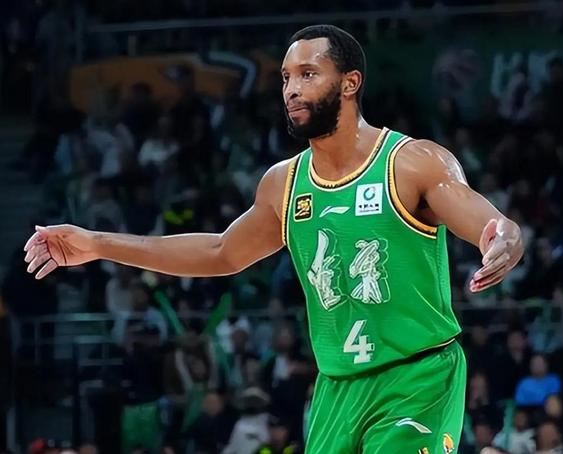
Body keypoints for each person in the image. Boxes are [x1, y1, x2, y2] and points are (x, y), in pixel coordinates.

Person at [23, 25, 524, 453]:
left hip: (417, 376)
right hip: (336, 388)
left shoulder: (411, 162)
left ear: (350, 83)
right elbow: (220, 251)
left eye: (308, 74)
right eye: (286, 77)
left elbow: (488, 221)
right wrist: (97, 244)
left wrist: (502, 239)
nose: (291, 89)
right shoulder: (284, 183)